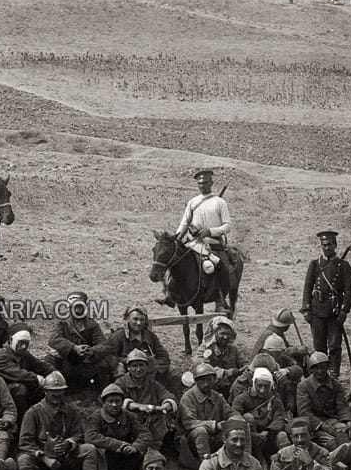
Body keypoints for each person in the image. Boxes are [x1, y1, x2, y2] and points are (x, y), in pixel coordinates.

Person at [17, 371, 111, 470]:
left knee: (89, 449)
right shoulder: (33, 412)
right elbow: (25, 442)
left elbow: (79, 434)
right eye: (53, 391)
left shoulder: (71, 410)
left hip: (66, 458)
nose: (57, 395)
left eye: (60, 391)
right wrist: (44, 458)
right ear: (46, 391)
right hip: (44, 461)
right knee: (23, 460)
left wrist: (69, 443)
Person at [169, 169, 233, 311]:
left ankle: (221, 298)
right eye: (199, 183)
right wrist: (176, 239)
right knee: (175, 262)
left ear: (211, 183)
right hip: (193, 243)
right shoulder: (193, 202)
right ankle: (171, 295)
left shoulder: (220, 202)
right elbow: (184, 223)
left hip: (213, 244)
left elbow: (228, 226)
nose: (202, 186)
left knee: (220, 267)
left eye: (205, 183)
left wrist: (210, 231)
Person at [297, 352, 351, 470]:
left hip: (333, 420)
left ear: (327, 368)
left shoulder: (335, 384)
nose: (320, 371)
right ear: (311, 370)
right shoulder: (303, 386)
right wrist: (322, 425)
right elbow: (304, 411)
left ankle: (347, 458)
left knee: (341, 430)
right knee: (327, 438)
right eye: (316, 368)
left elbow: (342, 405)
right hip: (314, 423)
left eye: (323, 367)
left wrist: (347, 421)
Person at [301, 230, 351, 377]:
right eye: (324, 245)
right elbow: (307, 287)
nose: (327, 248)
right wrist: (306, 309)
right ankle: (320, 371)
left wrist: (344, 311)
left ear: (335, 245)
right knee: (319, 346)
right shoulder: (315, 264)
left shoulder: (344, 266)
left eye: (330, 244)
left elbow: (349, 291)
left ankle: (334, 373)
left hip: (334, 312)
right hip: (317, 310)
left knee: (335, 345)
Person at [85, 384, 153, 470]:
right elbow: (90, 436)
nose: (114, 405)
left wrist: (135, 447)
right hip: (106, 457)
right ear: (103, 403)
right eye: (110, 401)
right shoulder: (96, 417)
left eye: (117, 401)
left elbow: (145, 434)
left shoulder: (128, 416)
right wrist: (118, 445)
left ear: (122, 402)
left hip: (126, 455)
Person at [104, 305, 178, 394]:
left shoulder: (150, 336)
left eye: (142, 319)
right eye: (135, 319)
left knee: (172, 372)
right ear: (127, 319)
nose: (139, 323)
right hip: (128, 370)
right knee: (119, 369)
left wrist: (154, 367)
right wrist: (128, 361)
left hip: (148, 370)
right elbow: (109, 356)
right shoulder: (118, 336)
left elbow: (163, 355)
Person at [47, 291, 113, 390]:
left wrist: (92, 351)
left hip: (85, 361)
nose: (76, 304)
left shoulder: (91, 324)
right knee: (50, 360)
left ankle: (101, 392)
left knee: (106, 362)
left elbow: (103, 343)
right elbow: (53, 339)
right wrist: (74, 348)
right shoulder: (62, 322)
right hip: (67, 360)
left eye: (79, 301)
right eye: (72, 301)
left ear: (85, 305)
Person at [115, 349, 179, 449]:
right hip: (129, 423)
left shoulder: (152, 383)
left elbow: (168, 396)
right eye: (134, 366)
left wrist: (164, 407)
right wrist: (137, 406)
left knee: (161, 420)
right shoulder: (121, 382)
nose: (138, 369)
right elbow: (111, 399)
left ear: (147, 366)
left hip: (150, 422)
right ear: (128, 368)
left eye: (141, 365)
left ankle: (157, 448)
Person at [179, 363, 237, 466]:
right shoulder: (188, 398)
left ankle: (235, 462)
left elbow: (230, 412)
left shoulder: (217, 397)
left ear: (214, 380)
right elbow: (189, 423)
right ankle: (206, 465)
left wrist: (236, 420)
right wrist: (215, 425)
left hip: (214, 438)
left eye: (209, 380)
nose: (206, 384)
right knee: (201, 431)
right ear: (196, 381)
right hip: (193, 441)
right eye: (202, 380)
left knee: (235, 428)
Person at [0, 324, 53, 419]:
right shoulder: (0, 357)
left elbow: (39, 365)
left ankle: (39, 417)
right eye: (21, 342)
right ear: (11, 340)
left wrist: (54, 373)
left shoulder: (23, 354)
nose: (24, 346)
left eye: (26, 343)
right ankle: (20, 422)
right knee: (20, 389)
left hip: (16, 392)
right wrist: (37, 378)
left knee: (41, 389)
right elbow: (18, 374)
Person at [232, 367, 289, 464]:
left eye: (266, 386)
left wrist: (267, 431)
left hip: (268, 436)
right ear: (254, 384)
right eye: (259, 386)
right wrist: (253, 434)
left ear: (271, 386)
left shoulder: (275, 400)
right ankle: (246, 462)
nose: (262, 390)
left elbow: (280, 418)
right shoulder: (241, 399)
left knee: (282, 435)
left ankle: (286, 464)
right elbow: (235, 416)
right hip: (248, 437)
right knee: (248, 417)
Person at [196, 317, 245, 397]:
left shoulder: (233, 348)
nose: (225, 337)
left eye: (228, 334)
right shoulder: (206, 348)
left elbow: (243, 362)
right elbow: (202, 366)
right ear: (215, 333)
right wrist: (225, 372)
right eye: (222, 333)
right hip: (210, 387)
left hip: (230, 387)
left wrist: (245, 367)